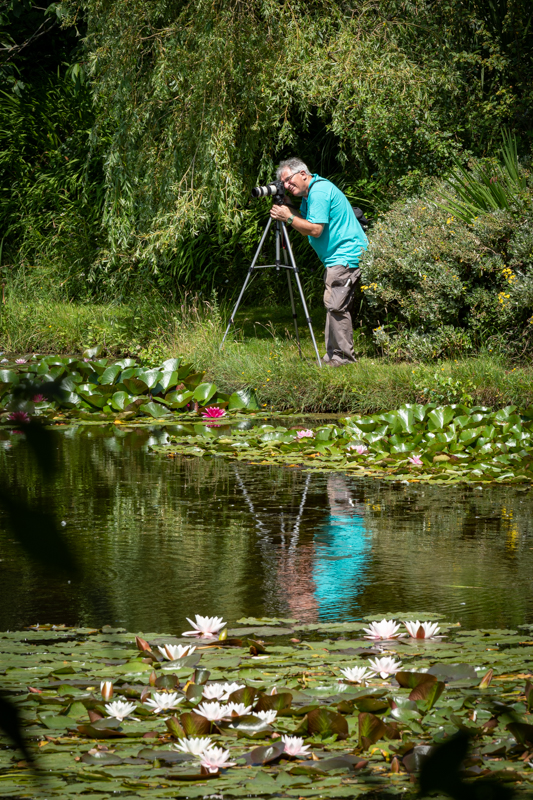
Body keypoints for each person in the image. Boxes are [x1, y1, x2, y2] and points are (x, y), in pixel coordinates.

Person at [270, 158, 368, 366]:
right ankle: (331, 356)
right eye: (284, 183)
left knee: (336, 305)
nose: (287, 186)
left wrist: (288, 217)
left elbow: (315, 229)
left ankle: (343, 358)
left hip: (345, 256)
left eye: (288, 180)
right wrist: (289, 209)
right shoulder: (311, 194)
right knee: (332, 304)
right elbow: (306, 221)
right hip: (337, 258)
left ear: (303, 174)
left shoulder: (319, 192)